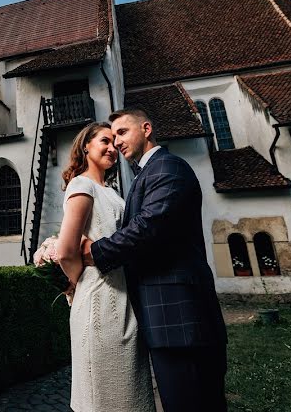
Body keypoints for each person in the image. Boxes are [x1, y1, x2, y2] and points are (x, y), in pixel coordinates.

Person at [81, 108, 228, 412]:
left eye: (122, 132)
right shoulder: (146, 174)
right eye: (111, 136)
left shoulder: (168, 167)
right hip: (166, 319)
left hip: (181, 319)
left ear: (146, 129)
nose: (116, 142)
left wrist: (94, 252)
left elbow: (148, 226)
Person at [56, 122, 155, 412]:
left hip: (124, 297)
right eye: (104, 141)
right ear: (86, 146)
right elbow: (65, 251)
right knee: (103, 396)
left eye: (115, 142)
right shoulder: (82, 185)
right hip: (99, 300)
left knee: (131, 393)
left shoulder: (111, 191)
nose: (112, 148)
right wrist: (78, 284)